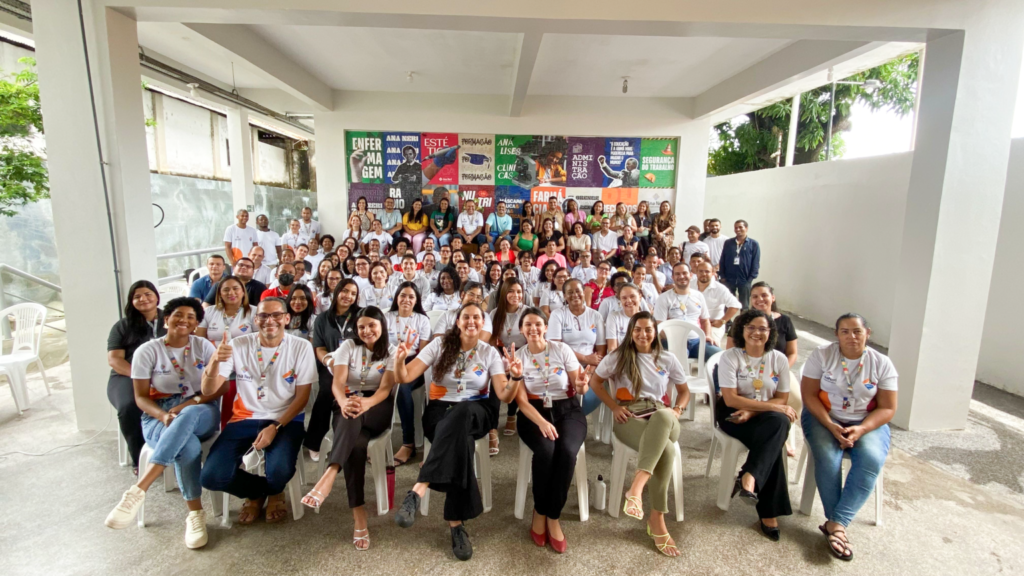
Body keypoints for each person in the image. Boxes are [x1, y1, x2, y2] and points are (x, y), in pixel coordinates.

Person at [391, 303, 518, 561]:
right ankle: (456, 525)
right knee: (462, 444)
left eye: (476, 318)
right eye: (466, 317)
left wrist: (515, 377)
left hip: (477, 412)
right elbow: (404, 377)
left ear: (483, 323)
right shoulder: (439, 346)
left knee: (463, 411)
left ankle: (419, 487)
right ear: (457, 321)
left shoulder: (489, 352)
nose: (471, 322)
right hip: (440, 412)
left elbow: (504, 395)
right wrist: (400, 361)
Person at [104, 297, 220, 548]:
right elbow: (141, 398)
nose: (184, 320)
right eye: (178, 315)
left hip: (200, 407)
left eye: (191, 317)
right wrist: (163, 415)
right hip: (157, 412)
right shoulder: (147, 351)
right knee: (187, 446)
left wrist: (188, 404)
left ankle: (139, 489)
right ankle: (195, 515)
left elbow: (218, 389)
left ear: (197, 323)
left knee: (188, 415)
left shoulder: (204, 347)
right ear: (165, 319)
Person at [581, 312, 689, 557]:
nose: (643, 334)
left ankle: (636, 489)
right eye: (637, 329)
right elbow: (596, 384)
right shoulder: (617, 357)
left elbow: (684, 392)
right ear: (631, 332)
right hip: (629, 416)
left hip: (663, 414)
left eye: (648, 329)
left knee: (664, 416)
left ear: (655, 332)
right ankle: (657, 519)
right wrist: (614, 406)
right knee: (668, 450)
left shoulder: (667, 359)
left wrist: (678, 409)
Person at [199, 298, 316, 524]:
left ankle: (274, 488)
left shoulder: (301, 347)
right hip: (244, 418)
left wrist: (276, 426)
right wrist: (214, 362)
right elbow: (208, 389)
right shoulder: (237, 344)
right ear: (256, 319)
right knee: (211, 477)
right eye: (263, 316)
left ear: (286, 318)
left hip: (285, 419)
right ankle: (259, 492)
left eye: (276, 315)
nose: (269, 321)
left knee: (280, 471)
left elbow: (302, 398)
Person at [801, 314, 897, 561]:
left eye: (857, 331)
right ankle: (839, 526)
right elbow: (809, 396)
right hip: (824, 417)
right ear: (836, 334)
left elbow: (887, 408)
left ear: (868, 333)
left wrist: (862, 429)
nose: (851, 337)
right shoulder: (822, 355)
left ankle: (835, 524)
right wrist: (831, 425)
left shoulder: (881, 363)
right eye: (845, 331)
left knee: (871, 459)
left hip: (867, 421)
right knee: (827, 457)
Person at [301, 307, 395, 549]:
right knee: (356, 442)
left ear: (382, 326)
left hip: (377, 407)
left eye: (372, 325)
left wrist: (366, 403)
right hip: (346, 404)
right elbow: (338, 383)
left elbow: (384, 391)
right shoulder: (348, 347)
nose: (366, 331)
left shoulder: (392, 351)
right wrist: (344, 401)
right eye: (361, 327)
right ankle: (359, 515)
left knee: (354, 415)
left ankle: (330, 475)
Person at [717, 309, 796, 541]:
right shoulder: (730, 356)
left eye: (763, 328)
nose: (756, 332)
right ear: (742, 329)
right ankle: (768, 511)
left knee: (778, 424)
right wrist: (764, 409)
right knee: (776, 431)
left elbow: (781, 398)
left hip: (760, 414)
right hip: (733, 415)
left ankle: (749, 476)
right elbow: (731, 399)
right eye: (751, 327)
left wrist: (753, 411)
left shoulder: (778, 359)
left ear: (770, 332)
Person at [513, 308, 585, 553]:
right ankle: (539, 510)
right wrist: (541, 422)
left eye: (537, 324)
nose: (533, 329)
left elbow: (577, 385)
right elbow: (521, 402)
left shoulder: (561, 349)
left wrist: (583, 385)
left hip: (567, 410)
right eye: (528, 325)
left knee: (565, 451)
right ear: (521, 329)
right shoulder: (518, 357)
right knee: (545, 450)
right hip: (534, 412)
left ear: (545, 327)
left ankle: (553, 515)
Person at [107, 281, 166, 474]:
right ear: (131, 302)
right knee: (129, 407)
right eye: (137, 296)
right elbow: (115, 360)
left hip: (167, 374)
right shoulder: (123, 326)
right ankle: (140, 458)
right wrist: (141, 376)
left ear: (156, 296)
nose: (143, 299)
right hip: (127, 376)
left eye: (148, 294)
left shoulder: (171, 319)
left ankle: (171, 451)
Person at [305, 279, 361, 462]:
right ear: (337, 292)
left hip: (357, 365)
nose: (348, 296)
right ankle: (314, 442)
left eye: (353, 293)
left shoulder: (360, 315)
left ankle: (353, 441)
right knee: (326, 393)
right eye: (345, 291)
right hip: (331, 366)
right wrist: (328, 361)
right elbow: (319, 347)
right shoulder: (322, 319)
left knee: (360, 393)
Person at [385, 283, 432, 467]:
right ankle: (376, 440)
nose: (406, 300)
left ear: (416, 300)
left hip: (413, 364)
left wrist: (404, 368)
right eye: (402, 295)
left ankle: (408, 442)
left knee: (402, 388)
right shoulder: (386, 317)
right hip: (388, 363)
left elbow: (424, 353)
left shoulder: (422, 320)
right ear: (396, 297)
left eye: (411, 297)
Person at [548, 279, 606, 415]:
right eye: (570, 292)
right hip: (563, 363)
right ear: (564, 296)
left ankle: (576, 418)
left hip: (591, 366)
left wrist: (590, 370)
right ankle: (570, 419)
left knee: (594, 393)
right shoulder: (558, 314)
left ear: (584, 292)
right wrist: (585, 358)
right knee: (563, 389)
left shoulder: (595, 315)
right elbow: (555, 346)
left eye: (578, 291)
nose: (575, 295)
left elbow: (601, 348)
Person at [653, 262, 722, 361]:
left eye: (684, 273)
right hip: (672, 341)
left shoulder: (698, 296)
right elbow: (659, 325)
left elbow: (705, 320)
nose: (681, 276)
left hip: (697, 341)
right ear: (672, 277)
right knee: (680, 359)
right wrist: (673, 340)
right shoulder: (664, 298)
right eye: (677, 274)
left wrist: (707, 335)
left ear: (690, 275)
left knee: (719, 356)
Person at [490, 278, 528, 443]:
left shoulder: (527, 312)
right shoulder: (495, 313)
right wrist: (499, 360)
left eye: (519, 292)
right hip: (500, 353)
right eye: (511, 291)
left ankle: (512, 415)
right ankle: (492, 427)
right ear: (504, 292)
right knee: (494, 381)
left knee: (516, 376)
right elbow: (491, 340)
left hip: (523, 354)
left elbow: (531, 340)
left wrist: (515, 360)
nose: (515, 295)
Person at [196, 276, 256, 344]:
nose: (231, 293)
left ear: (243, 292)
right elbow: (200, 341)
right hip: (213, 353)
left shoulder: (254, 312)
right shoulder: (207, 312)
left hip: (243, 353)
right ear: (220, 294)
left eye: (235, 288)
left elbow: (258, 341)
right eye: (226, 290)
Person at [694, 261, 741, 346]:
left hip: (713, 325)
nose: (703, 274)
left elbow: (735, 305)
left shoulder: (720, 289)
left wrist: (722, 321)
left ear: (713, 273)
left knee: (710, 345)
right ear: (696, 272)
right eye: (700, 271)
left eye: (707, 271)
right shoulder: (690, 285)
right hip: (694, 323)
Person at [719, 220, 760, 309]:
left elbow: (755, 262)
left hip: (744, 280)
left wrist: (750, 279)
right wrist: (722, 276)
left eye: (740, 227)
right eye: (736, 227)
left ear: (746, 228)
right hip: (729, 279)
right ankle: (727, 322)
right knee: (728, 303)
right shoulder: (728, 243)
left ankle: (743, 322)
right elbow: (722, 259)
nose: (738, 229)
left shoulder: (753, 244)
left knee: (744, 305)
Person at [604, 282, 644, 353]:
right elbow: (612, 348)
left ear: (640, 297)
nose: (628, 301)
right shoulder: (613, 317)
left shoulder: (646, 319)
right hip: (620, 360)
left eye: (632, 296)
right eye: (624, 298)